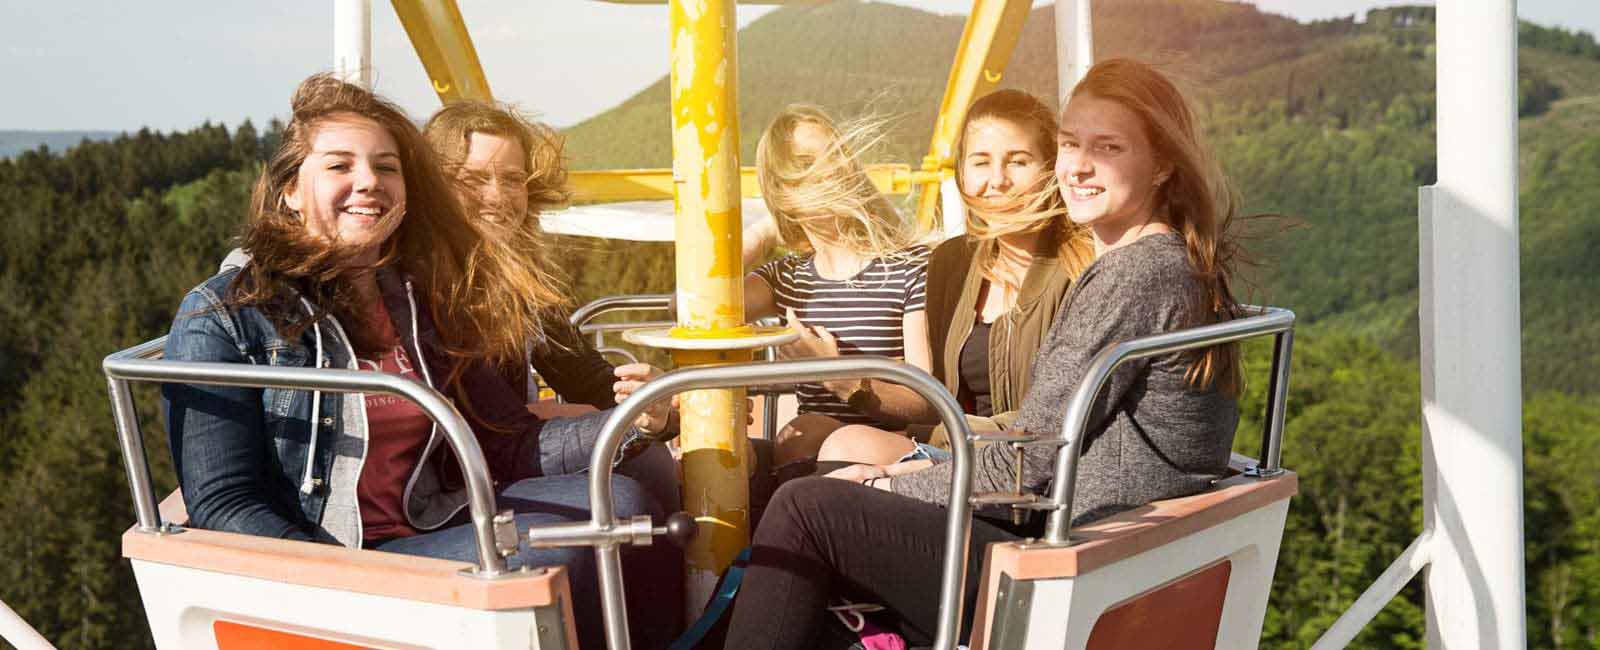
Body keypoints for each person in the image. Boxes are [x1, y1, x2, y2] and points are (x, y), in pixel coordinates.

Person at [723, 59, 1247, 649]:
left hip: (1059, 556)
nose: (1078, 165)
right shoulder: (1166, 264)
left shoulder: (1134, 276)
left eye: (1108, 147)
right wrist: (906, 471)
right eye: (1072, 144)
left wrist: (889, 486)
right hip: (1083, 535)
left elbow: (1031, 461)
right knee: (827, 490)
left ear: (1163, 165)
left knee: (806, 508)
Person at [161, 74, 679, 648]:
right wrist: (329, 583)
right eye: (340, 166)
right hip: (341, 551)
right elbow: (223, 499)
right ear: (289, 189)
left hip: (432, 518)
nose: (368, 182)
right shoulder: (225, 314)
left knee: (627, 504)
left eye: (386, 167)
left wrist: (635, 422)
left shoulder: (412, 299)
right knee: (573, 541)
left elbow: (502, 439)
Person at [813, 89, 1096, 467]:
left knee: (847, 448)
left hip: (1025, 468)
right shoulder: (952, 261)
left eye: (1018, 162)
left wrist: (921, 439)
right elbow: (937, 398)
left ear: (1050, 168)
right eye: (981, 162)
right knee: (810, 433)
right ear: (962, 172)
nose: (997, 180)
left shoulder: (1080, 265)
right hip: (961, 448)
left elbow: (1051, 421)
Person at [422, 100, 681, 511]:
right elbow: (495, 432)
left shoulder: (521, 281)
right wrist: (622, 422)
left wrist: (655, 404)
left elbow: (591, 381)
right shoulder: (428, 290)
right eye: (473, 179)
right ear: (434, 187)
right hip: (460, 477)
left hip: (511, 451)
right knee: (632, 489)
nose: (497, 196)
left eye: (512, 179)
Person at [744, 105, 933, 466]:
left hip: (892, 453)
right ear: (780, 187)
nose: (830, 170)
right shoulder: (789, 277)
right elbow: (692, 304)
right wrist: (767, 229)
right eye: (804, 164)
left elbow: (926, 402)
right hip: (816, 453)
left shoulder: (908, 266)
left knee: (808, 432)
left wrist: (835, 374)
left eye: (835, 155)